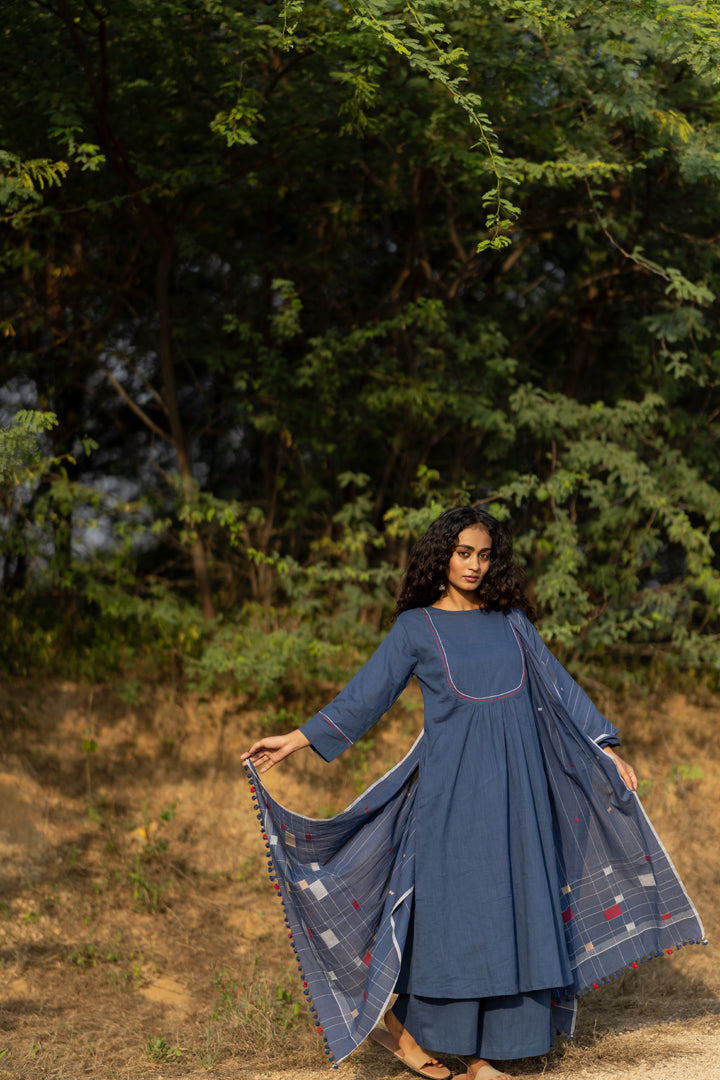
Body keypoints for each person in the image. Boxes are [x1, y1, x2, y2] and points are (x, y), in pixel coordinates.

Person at [242, 506, 703, 1080]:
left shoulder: (510, 622)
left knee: (517, 911)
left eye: (484, 555)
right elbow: (365, 697)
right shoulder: (416, 626)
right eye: (464, 553)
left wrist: (604, 748)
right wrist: (296, 739)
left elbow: (558, 687)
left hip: (521, 795)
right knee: (460, 917)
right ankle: (407, 1032)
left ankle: (491, 1057)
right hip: (453, 795)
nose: (474, 565)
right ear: (442, 555)